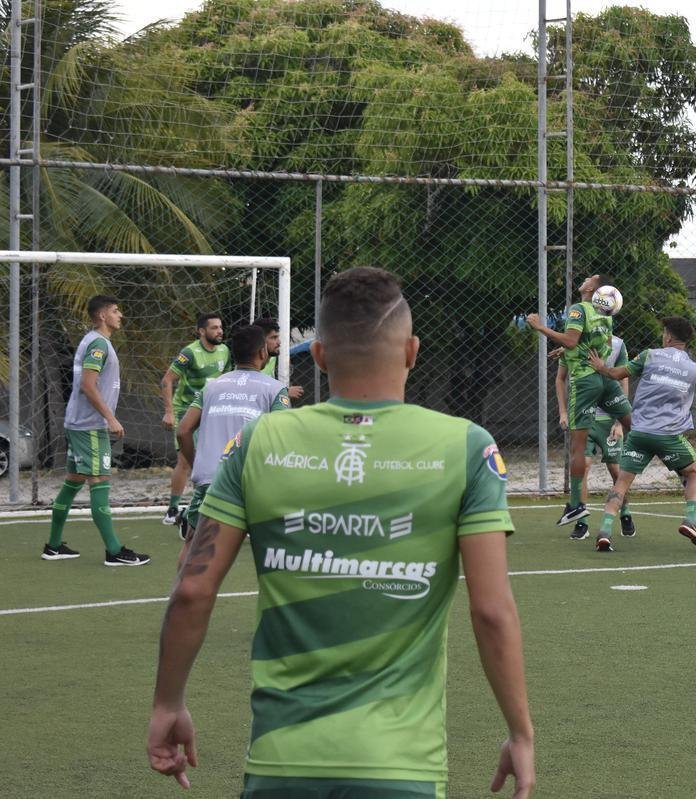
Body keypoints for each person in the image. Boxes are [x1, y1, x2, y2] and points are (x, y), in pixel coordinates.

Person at [148, 267, 534, 799]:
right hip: (401, 765)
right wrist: (520, 731)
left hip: (281, 761)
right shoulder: (467, 447)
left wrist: (168, 703)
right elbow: (491, 610)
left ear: (321, 355)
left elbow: (193, 589)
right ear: (413, 351)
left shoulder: (259, 441)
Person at [41, 295, 150, 566]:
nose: (120, 315)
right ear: (102, 315)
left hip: (79, 423)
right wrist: (111, 418)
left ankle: (53, 546)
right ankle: (114, 551)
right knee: (100, 482)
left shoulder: (94, 341)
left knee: (73, 482)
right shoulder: (98, 344)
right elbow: (88, 385)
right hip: (90, 426)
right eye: (115, 310)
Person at [587, 316, 696, 552]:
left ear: (669, 337)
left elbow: (618, 374)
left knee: (621, 483)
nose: (663, 335)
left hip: (639, 432)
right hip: (669, 436)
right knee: (694, 473)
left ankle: (604, 531)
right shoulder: (695, 369)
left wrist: (601, 367)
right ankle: (691, 521)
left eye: (664, 332)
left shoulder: (649, 355)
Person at [525, 273, 632, 527]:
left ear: (594, 288)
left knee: (577, 447)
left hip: (585, 382)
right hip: (604, 378)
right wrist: (569, 349)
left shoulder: (578, 309)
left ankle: (576, 506)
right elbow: (601, 344)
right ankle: (673, 463)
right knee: (633, 425)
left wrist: (540, 327)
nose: (585, 279)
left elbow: (572, 339)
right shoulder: (605, 314)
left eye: (590, 278)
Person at [174, 325, 290, 547]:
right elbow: (280, 435)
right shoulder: (275, 389)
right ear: (262, 353)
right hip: (250, 482)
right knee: (273, 549)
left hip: (210, 480)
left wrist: (196, 462)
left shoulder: (212, 387)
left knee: (194, 550)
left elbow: (183, 430)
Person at [553, 335, 635, 541]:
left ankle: (625, 512)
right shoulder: (571, 343)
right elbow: (560, 378)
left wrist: (619, 421)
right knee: (584, 465)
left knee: (616, 470)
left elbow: (622, 378)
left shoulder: (618, 344)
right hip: (583, 417)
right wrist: (563, 412)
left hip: (608, 419)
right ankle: (582, 521)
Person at [160, 312, 230, 526]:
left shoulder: (225, 351)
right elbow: (167, 380)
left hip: (212, 412)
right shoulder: (189, 353)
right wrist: (169, 411)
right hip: (187, 412)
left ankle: (209, 505)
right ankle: (172, 510)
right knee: (185, 461)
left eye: (220, 327)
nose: (219, 331)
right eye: (214, 328)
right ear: (201, 331)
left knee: (217, 459)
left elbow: (224, 380)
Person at [250, 316, 305, 401]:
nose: (279, 342)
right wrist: (284, 392)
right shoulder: (249, 364)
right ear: (260, 340)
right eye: (273, 338)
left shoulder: (272, 358)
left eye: (278, 337)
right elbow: (251, 392)